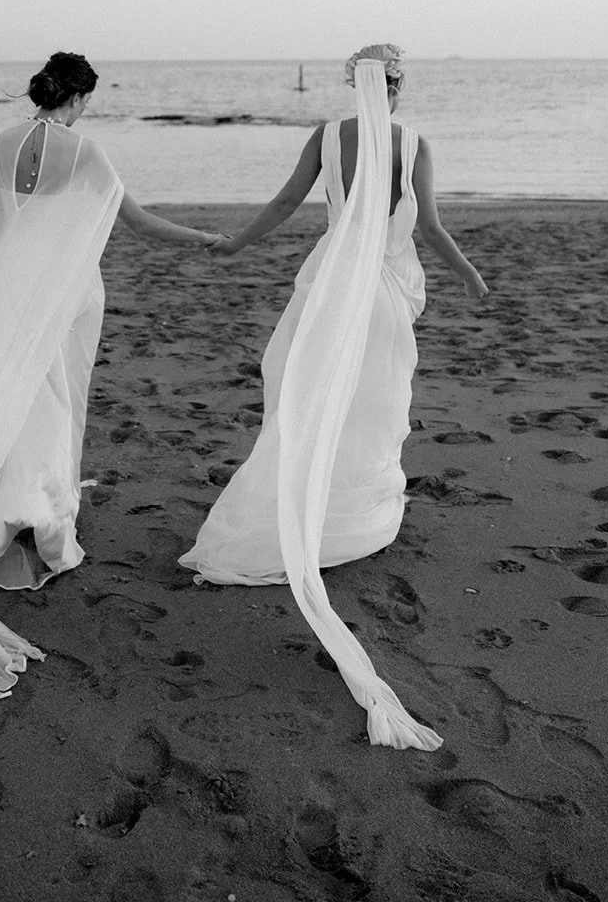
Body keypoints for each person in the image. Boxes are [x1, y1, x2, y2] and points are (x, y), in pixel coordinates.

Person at [181, 44, 488, 751]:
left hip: (328, 292)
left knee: (310, 403)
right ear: (399, 86)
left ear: (353, 85)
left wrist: (234, 246)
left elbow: (288, 204)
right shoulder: (413, 144)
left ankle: (303, 510)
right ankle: (350, 514)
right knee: (375, 409)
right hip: (379, 293)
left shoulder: (324, 136)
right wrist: (469, 275)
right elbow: (433, 228)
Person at [0, 51, 220, 699]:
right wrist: (202, 239)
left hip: (4, 290)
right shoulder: (83, 152)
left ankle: (0, 516)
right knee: (51, 404)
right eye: (89, 98)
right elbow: (136, 223)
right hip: (55, 297)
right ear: (79, 96)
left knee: (6, 401)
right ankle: (39, 523)